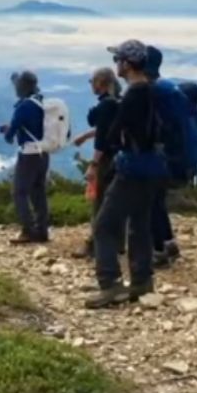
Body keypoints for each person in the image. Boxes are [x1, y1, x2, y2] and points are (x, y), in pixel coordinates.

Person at [86, 40, 167, 309]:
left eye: (118, 60)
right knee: (139, 223)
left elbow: (113, 134)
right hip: (155, 167)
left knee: (104, 225)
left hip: (132, 168)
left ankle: (110, 285)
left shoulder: (133, 95)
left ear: (127, 64)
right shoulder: (155, 91)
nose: (116, 65)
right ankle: (142, 280)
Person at [71, 67, 122, 259]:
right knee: (115, 200)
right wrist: (86, 135)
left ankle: (94, 245)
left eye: (92, 81)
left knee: (100, 201)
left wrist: (93, 165)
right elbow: (109, 128)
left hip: (108, 159)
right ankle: (118, 242)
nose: (91, 84)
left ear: (101, 83)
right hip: (122, 155)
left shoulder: (105, 105)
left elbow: (102, 138)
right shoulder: (118, 100)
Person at [0, 70, 50, 245]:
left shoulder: (23, 106)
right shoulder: (41, 101)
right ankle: (42, 231)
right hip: (44, 152)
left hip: (28, 154)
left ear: (22, 87)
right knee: (39, 191)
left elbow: (10, 136)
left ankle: (27, 231)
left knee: (19, 192)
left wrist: (8, 130)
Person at [144, 45, 183, 269]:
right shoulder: (166, 89)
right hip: (170, 156)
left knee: (150, 201)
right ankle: (168, 243)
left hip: (158, 157)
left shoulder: (152, 92)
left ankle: (158, 250)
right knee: (157, 201)